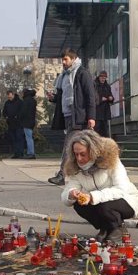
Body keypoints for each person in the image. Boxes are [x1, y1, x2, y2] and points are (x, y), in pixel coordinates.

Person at [60, 129, 138, 243]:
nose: (78, 158)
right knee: (78, 204)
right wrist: (72, 194)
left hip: (127, 199)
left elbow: (121, 189)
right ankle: (105, 228)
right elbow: (67, 193)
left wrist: (92, 197)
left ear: (93, 151)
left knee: (104, 206)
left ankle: (118, 229)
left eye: (83, 154)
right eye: (76, 154)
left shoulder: (111, 160)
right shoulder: (75, 167)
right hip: (100, 201)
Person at [47, 48, 97, 186]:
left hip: (79, 117)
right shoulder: (63, 76)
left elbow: (90, 96)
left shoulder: (82, 73)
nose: (63, 62)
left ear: (73, 59)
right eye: (62, 60)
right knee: (80, 147)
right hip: (68, 116)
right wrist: (53, 98)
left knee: (69, 145)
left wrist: (91, 117)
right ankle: (90, 172)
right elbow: (64, 96)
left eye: (65, 59)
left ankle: (62, 175)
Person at [2, 90, 24, 159]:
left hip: (18, 124)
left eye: (10, 97)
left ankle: (20, 153)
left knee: (19, 138)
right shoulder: (7, 103)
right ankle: (16, 153)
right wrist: (6, 117)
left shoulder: (19, 102)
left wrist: (17, 117)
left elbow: (22, 112)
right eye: (8, 97)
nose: (9, 98)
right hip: (10, 124)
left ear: (13, 95)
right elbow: (4, 112)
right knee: (13, 139)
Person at [94, 71, 115, 138]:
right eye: (102, 77)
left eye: (104, 78)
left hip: (105, 111)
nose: (103, 79)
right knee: (97, 128)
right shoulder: (95, 85)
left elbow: (110, 95)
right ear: (99, 77)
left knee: (105, 129)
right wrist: (100, 99)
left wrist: (111, 98)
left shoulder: (107, 86)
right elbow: (93, 97)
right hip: (97, 111)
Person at [19, 88, 37, 159]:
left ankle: (31, 153)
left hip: (26, 121)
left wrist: (19, 117)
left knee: (28, 137)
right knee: (29, 137)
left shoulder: (26, 101)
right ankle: (31, 152)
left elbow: (23, 111)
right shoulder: (33, 101)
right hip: (32, 121)